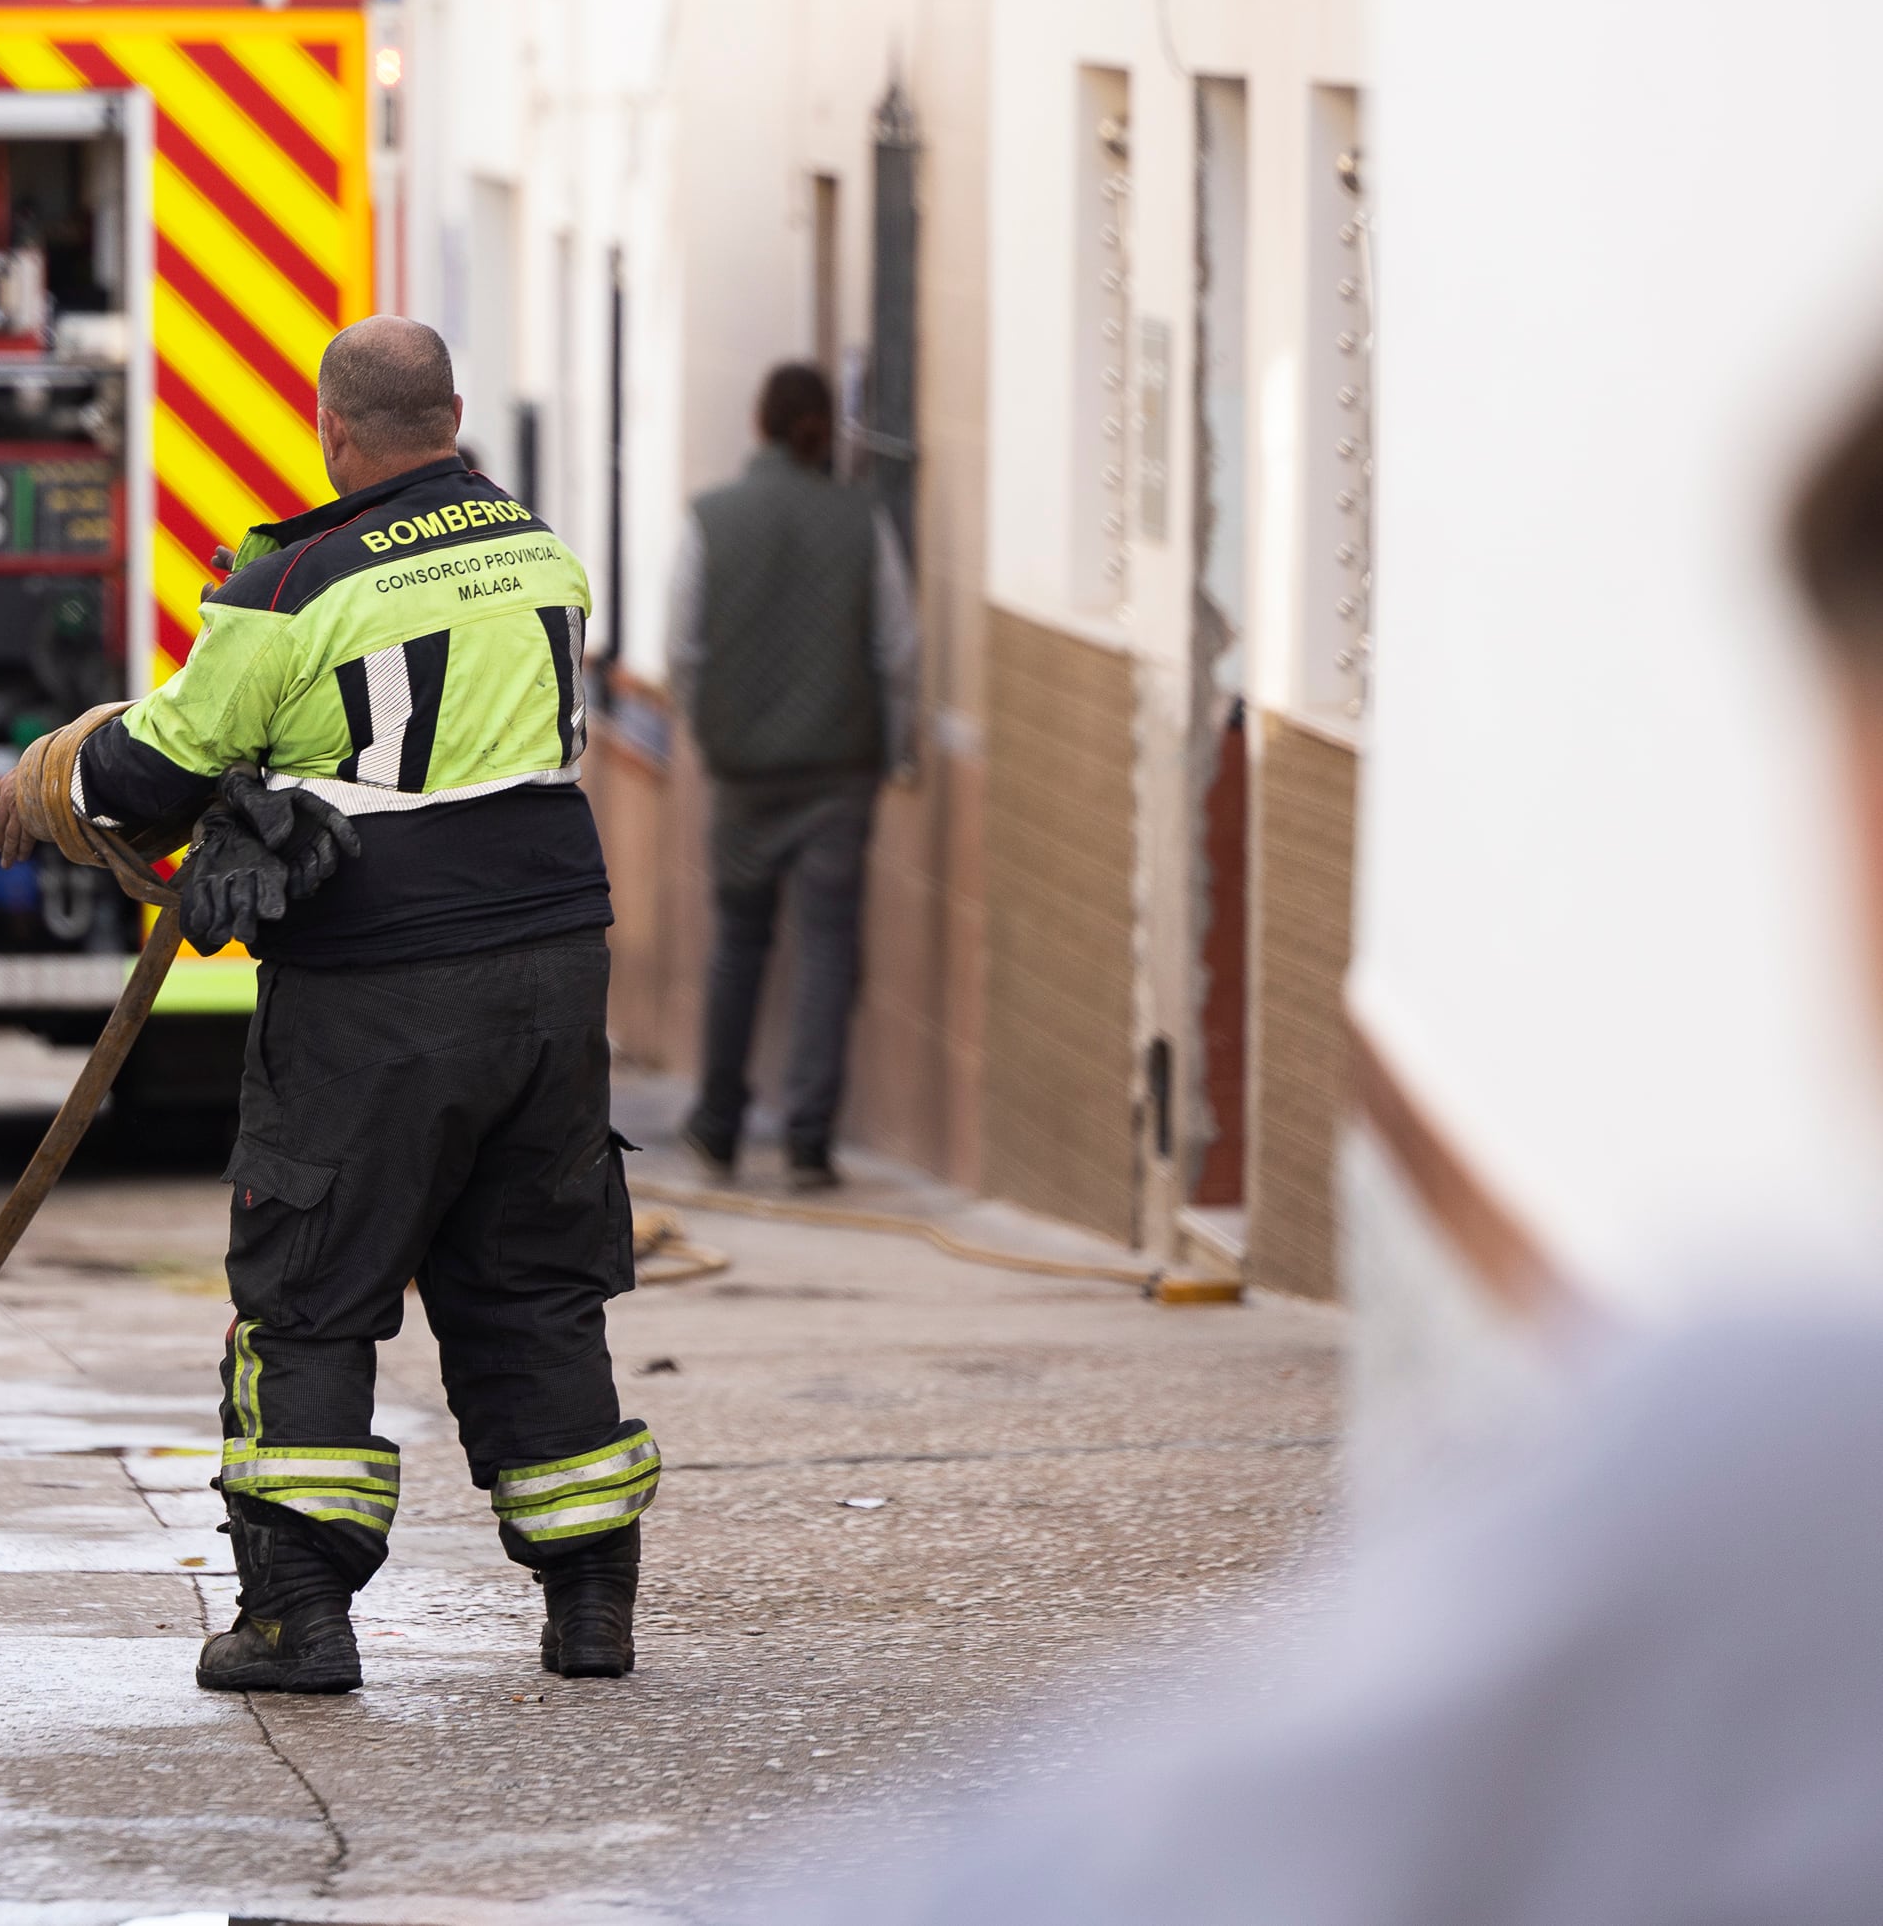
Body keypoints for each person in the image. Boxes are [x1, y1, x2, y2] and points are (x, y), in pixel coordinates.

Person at [756, 362, 1883, 1925]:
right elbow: (885, 648)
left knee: (765, 964)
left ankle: (775, 1126)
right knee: (810, 968)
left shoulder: (1790, 1465)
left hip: (688, 809)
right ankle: (797, 1123)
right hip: (794, 790)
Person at [0, 314, 651, 1693]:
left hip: (377, 990)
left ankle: (299, 1618)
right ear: (455, 414)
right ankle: (590, 1606)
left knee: (305, 1295)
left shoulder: (286, 583)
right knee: (532, 1280)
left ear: (329, 430)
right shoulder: (540, 548)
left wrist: (69, 767)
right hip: (553, 967)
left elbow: (159, 768)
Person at [664, 363, 920, 1190]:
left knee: (738, 945)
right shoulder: (862, 521)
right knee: (826, 949)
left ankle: (718, 1124)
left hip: (744, 773)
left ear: (759, 423)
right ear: (822, 430)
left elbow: (684, 649)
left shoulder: (710, 520)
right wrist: (896, 747)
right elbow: (897, 648)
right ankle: (810, 1138)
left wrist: (712, 733)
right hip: (838, 772)